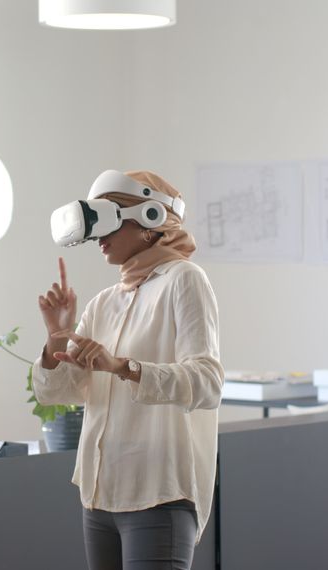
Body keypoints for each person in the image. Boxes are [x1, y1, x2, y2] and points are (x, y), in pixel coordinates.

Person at [34, 169, 224, 570]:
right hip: (99, 494)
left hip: (158, 492)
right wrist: (57, 339)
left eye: (109, 218)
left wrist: (122, 366)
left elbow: (207, 382)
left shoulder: (184, 280)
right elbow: (58, 393)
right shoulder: (103, 302)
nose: (97, 236)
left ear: (151, 219)